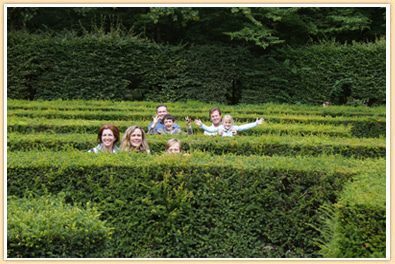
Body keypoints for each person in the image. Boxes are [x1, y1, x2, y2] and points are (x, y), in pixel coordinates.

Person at [195, 114, 264, 137]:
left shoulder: (234, 127)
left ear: (232, 122)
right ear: (222, 122)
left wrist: (255, 123)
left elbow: (244, 127)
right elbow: (210, 130)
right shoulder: (220, 127)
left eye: (229, 122)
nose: (227, 124)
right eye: (226, 122)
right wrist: (202, 125)